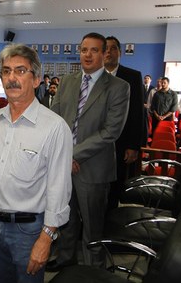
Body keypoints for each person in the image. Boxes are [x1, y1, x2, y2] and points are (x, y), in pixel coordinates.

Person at [0, 44, 73, 283]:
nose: (11, 78)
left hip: (29, 231)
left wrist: (46, 239)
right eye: (6, 71)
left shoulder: (55, 127)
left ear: (37, 79)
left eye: (20, 71)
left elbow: (59, 189)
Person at [48, 32, 130, 270]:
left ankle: (94, 271)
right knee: (65, 219)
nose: (87, 54)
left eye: (94, 50)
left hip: (93, 169)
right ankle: (65, 260)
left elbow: (110, 131)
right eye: (84, 49)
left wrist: (72, 155)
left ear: (105, 54)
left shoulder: (118, 87)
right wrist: (63, 156)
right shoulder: (67, 81)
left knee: (92, 227)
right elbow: (56, 121)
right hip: (63, 167)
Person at [104, 36, 144, 210]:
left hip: (121, 141)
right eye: (105, 48)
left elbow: (137, 112)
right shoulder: (92, 76)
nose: (109, 52)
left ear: (120, 52)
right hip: (94, 141)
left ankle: (111, 222)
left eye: (113, 48)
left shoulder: (132, 76)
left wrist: (134, 145)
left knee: (115, 185)